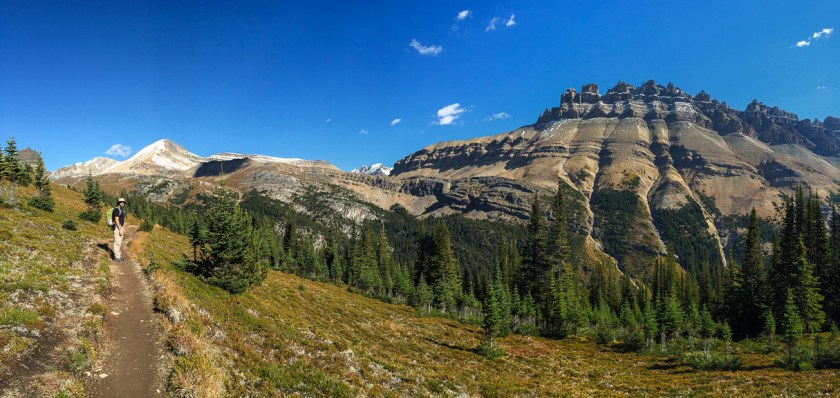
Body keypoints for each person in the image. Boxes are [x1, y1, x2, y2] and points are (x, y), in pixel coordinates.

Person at [112, 198, 127, 262]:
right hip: (117, 227)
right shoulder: (116, 210)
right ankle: (116, 258)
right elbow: (116, 220)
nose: (122, 203)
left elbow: (122, 220)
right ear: (118, 202)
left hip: (120, 227)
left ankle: (118, 255)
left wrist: (123, 228)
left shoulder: (121, 210)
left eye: (123, 202)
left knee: (119, 242)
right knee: (117, 242)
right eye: (121, 202)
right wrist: (120, 228)